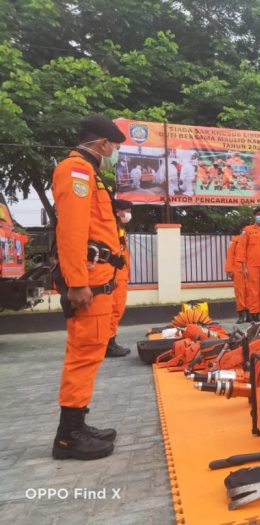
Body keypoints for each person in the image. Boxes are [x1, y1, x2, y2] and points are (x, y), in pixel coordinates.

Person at [51, 115, 126, 460]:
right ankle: (69, 435)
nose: (114, 152)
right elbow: (72, 230)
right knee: (83, 354)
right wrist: (77, 282)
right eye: (114, 146)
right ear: (101, 144)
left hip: (98, 279)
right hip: (88, 282)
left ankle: (77, 423)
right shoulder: (76, 171)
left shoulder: (89, 173)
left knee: (91, 350)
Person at [107, 199, 133, 358]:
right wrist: (114, 275)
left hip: (120, 275)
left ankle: (110, 341)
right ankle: (109, 344)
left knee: (117, 309)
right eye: (127, 210)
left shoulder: (119, 228)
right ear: (118, 211)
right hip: (116, 276)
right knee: (114, 309)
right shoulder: (112, 228)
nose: (129, 214)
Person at [225, 227, 250, 324]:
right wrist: (229, 270)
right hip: (238, 270)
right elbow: (230, 255)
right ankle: (241, 315)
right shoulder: (235, 241)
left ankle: (249, 315)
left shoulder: (252, 241)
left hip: (250, 270)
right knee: (239, 293)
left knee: (250, 293)